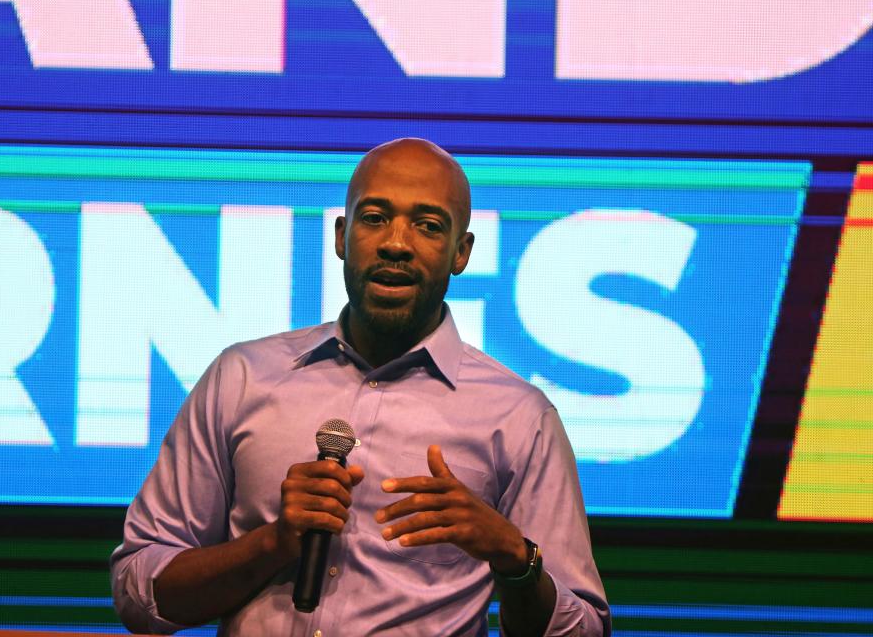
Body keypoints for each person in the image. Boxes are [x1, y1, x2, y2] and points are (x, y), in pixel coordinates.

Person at [110, 138, 611, 636]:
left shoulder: (519, 416)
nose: (396, 243)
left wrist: (512, 557)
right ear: (341, 237)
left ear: (461, 252)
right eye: (374, 218)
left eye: (428, 226)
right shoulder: (240, 378)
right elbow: (139, 591)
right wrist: (273, 543)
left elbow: (586, 628)